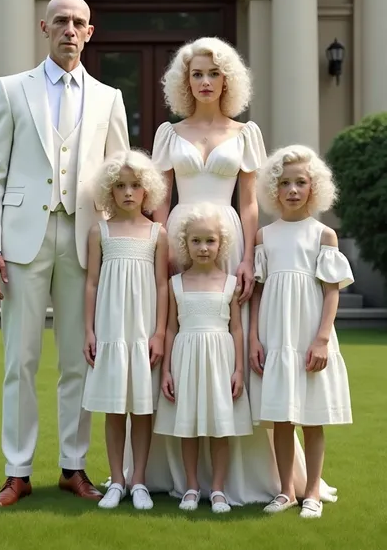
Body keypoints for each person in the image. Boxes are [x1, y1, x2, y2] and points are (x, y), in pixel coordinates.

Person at [138, 36, 337, 504]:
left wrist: (249, 256)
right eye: (196, 74)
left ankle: (255, 479)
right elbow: (162, 199)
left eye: (213, 73)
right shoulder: (169, 133)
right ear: (184, 82)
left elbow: (249, 205)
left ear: (228, 79)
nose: (205, 81)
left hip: (228, 240)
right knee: (181, 336)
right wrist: (162, 248)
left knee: (235, 337)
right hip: (180, 240)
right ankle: (177, 476)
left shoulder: (245, 134)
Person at [0, 0, 129, 506]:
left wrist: (118, 247)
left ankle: (73, 466)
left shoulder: (109, 98)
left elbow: (119, 178)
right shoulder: (11, 89)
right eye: (61, 20)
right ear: (44, 26)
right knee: (19, 358)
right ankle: (17, 471)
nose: (69, 28)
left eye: (78, 22)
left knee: (77, 361)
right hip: (22, 240)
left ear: (90, 32)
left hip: (85, 242)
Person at [249, 145, 353, 518]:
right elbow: (258, 292)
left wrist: (323, 338)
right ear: (273, 189)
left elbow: (331, 292)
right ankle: (285, 491)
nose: (293, 190)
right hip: (275, 337)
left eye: (301, 183)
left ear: (315, 187)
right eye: (285, 183)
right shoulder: (265, 237)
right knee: (281, 416)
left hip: (308, 334)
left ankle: (312, 491)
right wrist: (254, 340)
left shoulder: (323, 235)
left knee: (311, 416)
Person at [82, 150, 168, 511]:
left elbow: (163, 285)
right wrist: (89, 330)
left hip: (143, 329)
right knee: (115, 408)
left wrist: (160, 332)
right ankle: (116, 480)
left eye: (135, 186)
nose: (129, 193)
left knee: (143, 408)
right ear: (109, 191)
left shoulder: (157, 233)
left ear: (147, 190)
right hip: (110, 329)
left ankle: (139, 480)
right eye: (120, 186)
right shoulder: (98, 231)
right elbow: (91, 283)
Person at [154, 204, 252, 513]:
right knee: (190, 426)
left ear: (221, 243)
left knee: (219, 427)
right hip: (186, 359)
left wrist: (238, 369)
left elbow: (237, 329)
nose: (203, 247)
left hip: (220, 360)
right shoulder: (176, 284)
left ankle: (219, 489)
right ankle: (192, 487)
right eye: (196, 241)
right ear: (185, 243)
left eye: (210, 240)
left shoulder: (230, 284)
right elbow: (170, 329)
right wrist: (167, 370)